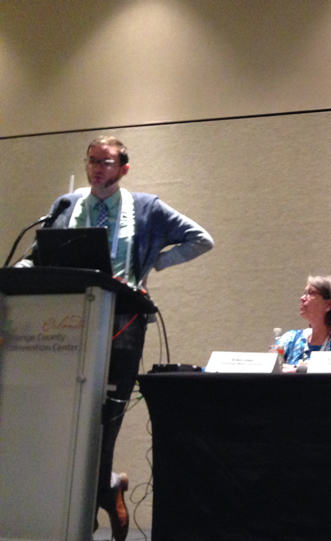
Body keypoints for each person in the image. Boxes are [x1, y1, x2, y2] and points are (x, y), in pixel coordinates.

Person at [17, 136, 213, 540]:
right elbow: (39, 253)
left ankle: (89, 498)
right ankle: (92, 490)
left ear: (124, 168)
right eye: (91, 161)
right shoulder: (67, 205)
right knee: (62, 410)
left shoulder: (145, 207)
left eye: (105, 162)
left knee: (107, 414)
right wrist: (22, 268)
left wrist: (153, 264)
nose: (96, 169)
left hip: (122, 319)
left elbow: (200, 239)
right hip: (69, 319)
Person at [275, 275, 331, 372]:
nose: (302, 298)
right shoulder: (290, 338)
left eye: (310, 293)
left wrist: (298, 370)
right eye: (304, 293)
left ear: (328, 305)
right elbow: (269, 367)